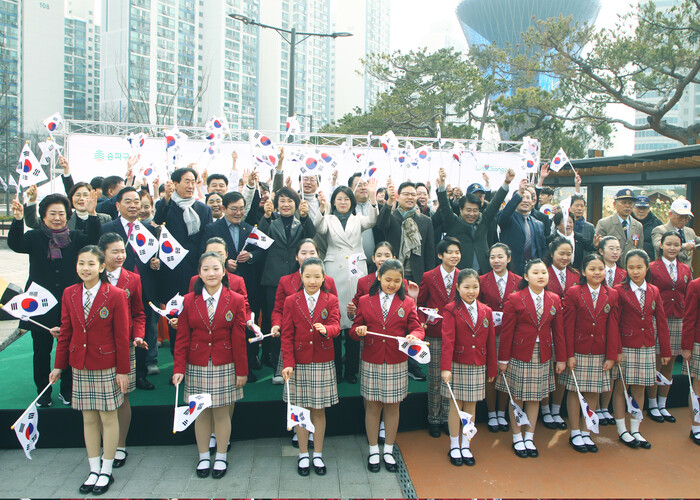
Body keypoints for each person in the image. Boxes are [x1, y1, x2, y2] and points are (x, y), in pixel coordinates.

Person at [49, 245, 130, 495]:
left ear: (102, 267)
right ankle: (93, 469)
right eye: (81, 263)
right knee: (88, 418)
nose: (86, 268)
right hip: (80, 365)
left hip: (107, 365)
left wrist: (123, 371)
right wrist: (58, 365)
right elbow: (66, 331)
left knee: (108, 417)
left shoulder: (115, 294)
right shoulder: (69, 293)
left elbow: (122, 337)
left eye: (91, 264)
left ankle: (106, 470)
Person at [9, 192, 100, 407]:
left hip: (70, 302)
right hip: (39, 304)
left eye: (61, 213)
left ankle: (67, 389)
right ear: (43, 216)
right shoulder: (34, 237)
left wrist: (92, 214)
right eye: (52, 214)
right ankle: (43, 391)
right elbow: (16, 244)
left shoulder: (76, 237)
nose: (57, 218)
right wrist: (18, 219)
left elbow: (94, 240)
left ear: (67, 216)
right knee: (41, 350)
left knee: (69, 348)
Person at [172, 251, 248, 479]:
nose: (211, 273)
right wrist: (178, 368)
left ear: (224, 271)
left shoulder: (235, 299)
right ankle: (204, 456)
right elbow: (182, 337)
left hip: (225, 364)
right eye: (206, 269)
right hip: (197, 364)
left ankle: (221, 456)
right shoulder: (188, 300)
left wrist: (242, 371)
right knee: (201, 413)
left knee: (222, 414)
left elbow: (239, 339)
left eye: (216, 268)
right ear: (199, 273)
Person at [350, 259, 424, 473]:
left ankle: (389, 450)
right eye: (388, 279)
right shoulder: (365, 300)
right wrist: (359, 331)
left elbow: (417, 328)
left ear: (402, 282)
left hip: (396, 361)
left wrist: (414, 336)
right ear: (379, 277)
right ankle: (373, 450)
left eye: (397, 281)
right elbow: (354, 330)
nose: (392, 284)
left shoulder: (407, 303)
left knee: (393, 407)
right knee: (373, 406)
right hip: (372, 360)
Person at [496, 259, 566, 459]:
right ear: (526, 277)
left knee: (535, 397)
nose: (540, 276)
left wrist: (561, 358)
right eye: (535, 273)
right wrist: (503, 360)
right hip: (519, 353)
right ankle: (517, 436)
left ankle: (529, 436)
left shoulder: (554, 299)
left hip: (543, 354)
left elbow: (558, 332)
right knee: (517, 397)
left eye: (543, 272)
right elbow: (507, 332)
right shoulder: (515, 299)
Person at [280, 258, 341, 477]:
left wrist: (326, 330)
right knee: (300, 410)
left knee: (319, 410)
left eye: (317, 276)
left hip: (322, 361)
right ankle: (303, 454)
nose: (312, 281)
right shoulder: (291, 300)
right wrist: (288, 363)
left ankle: (318, 453)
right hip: (299, 362)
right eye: (308, 276)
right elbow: (286, 335)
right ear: (301, 277)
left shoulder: (331, 299)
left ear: (324, 278)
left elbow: (336, 325)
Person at [315, 182, 378, 384]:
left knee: (354, 319)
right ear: (333, 202)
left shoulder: (358, 219)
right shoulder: (328, 218)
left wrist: (372, 197)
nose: (343, 202)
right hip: (334, 269)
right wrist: (321, 208)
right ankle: (336, 371)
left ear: (352, 202)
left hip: (355, 270)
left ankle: (351, 370)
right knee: (334, 319)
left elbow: (372, 220)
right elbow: (319, 227)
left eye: (346, 199)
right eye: (339, 199)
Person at [101, 187, 161, 390]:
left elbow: (153, 257)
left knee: (141, 330)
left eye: (137, 201)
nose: (134, 205)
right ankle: (113, 372)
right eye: (128, 201)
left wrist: (155, 264)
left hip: (144, 286)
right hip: (114, 287)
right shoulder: (107, 228)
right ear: (118, 205)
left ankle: (140, 374)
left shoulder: (149, 229)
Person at [376, 180, 435, 382]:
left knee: (413, 321)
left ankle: (413, 364)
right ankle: (395, 358)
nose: (410, 197)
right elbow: (380, 225)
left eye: (413, 194)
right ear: (398, 196)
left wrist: (427, 277)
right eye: (406, 194)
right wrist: (388, 203)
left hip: (416, 278)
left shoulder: (425, 221)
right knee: (394, 319)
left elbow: (429, 251)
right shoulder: (391, 217)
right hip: (394, 278)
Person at [560, 254, 620, 453]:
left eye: (600, 269)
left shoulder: (612, 294)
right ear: (583, 272)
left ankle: (587, 430)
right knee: (575, 391)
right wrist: (569, 354)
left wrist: (611, 355)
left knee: (593, 392)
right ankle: (575, 431)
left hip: (599, 351)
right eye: (592, 269)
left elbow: (613, 326)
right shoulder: (574, 292)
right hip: (578, 350)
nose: (597, 272)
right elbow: (568, 326)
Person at [98, 233, 147, 468]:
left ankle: (120, 445)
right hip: (98, 345)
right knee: (101, 398)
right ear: (102, 254)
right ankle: (104, 444)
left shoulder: (133, 279)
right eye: (114, 252)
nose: (120, 256)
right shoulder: (93, 277)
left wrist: (138, 334)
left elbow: (139, 313)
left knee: (122, 395)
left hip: (125, 344)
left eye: (123, 251)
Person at [612, 249, 670, 449]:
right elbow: (614, 323)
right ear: (625, 269)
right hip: (625, 346)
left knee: (640, 388)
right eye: (631, 267)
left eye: (639, 267)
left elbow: (661, 320)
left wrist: (666, 350)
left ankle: (636, 428)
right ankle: (622, 429)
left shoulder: (654, 290)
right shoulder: (619, 290)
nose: (635, 271)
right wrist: (616, 350)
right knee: (621, 388)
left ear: (647, 267)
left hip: (647, 346)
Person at [201, 191, 264, 369]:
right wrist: (223, 262)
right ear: (224, 208)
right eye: (234, 209)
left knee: (248, 320)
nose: (238, 213)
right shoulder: (212, 229)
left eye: (241, 209)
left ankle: (251, 357)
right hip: (221, 284)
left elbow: (262, 251)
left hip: (248, 282)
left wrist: (251, 255)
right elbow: (203, 253)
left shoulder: (250, 229)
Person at [441, 269, 497, 466]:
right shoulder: (451, 309)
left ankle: (466, 444)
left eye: (475, 287)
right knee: (456, 407)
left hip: (477, 364)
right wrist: (446, 367)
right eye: (466, 287)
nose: (471, 291)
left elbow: (491, 341)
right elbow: (448, 340)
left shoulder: (486, 310)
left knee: (471, 407)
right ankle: (454, 445)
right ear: (458, 287)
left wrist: (492, 368)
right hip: (457, 363)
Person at [258, 187, 315, 379]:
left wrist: (305, 218)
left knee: (297, 320)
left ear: (296, 204)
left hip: (296, 277)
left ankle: (296, 361)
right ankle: (274, 361)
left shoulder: (300, 221)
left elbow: (311, 236)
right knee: (274, 320)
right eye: (282, 200)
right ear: (276, 204)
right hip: (273, 278)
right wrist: (265, 218)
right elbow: (260, 240)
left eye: (290, 201)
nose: (286, 204)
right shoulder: (270, 221)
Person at [154, 167, 213, 353]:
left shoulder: (203, 209)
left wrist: (202, 265)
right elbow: (158, 221)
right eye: (186, 181)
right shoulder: (167, 206)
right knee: (175, 315)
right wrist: (166, 198)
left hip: (196, 269)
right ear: (175, 184)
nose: (190, 185)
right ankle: (177, 355)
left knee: (197, 312)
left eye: (193, 182)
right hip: (172, 269)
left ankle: (196, 353)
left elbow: (207, 237)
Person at [417, 237, 462, 438]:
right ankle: (433, 419)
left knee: (451, 379)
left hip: (457, 335)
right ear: (440, 255)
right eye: (450, 252)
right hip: (435, 335)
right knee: (435, 379)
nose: (454, 256)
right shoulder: (429, 276)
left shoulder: (463, 276)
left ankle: (446, 418)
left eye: (457, 252)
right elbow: (420, 304)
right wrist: (422, 323)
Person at [647, 231, 691, 423]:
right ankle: (652, 404)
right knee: (656, 361)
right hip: (657, 318)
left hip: (677, 318)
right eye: (669, 244)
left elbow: (686, 293)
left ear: (681, 247)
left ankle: (663, 404)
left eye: (676, 245)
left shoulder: (685, 269)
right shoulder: (651, 267)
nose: (672, 248)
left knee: (670, 361)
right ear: (661, 245)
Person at [436, 167, 515, 272]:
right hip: (461, 272)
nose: (472, 214)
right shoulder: (453, 222)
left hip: (484, 271)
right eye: (468, 210)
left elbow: (495, 203)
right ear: (461, 209)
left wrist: (506, 182)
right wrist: (442, 183)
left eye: (475, 210)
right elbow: (444, 206)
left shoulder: (483, 220)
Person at [479, 243, 521, 433]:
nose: (496, 261)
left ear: (509, 259)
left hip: (511, 335)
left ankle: (502, 412)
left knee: (507, 374)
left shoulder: (519, 281)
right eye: (492, 257)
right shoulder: (482, 280)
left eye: (500, 257)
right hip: (489, 334)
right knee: (491, 374)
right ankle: (491, 413)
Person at [540, 237, 580, 429]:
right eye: (561, 254)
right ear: (552, 254)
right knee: (548, 370)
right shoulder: (543, 272)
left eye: (568, 254)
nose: (565, 258)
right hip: (548, 327)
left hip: (569, 329)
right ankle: (545, 409)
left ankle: (556, 409)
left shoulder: (576, 274)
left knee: (562, 369)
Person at [497, 179, 548, 275]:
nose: (525, 200)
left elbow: (542, 248)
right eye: (522, 197)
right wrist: (519, 193)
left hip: (534, 270)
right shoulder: (509, 219)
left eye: (528, 198)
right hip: (513, 269)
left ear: (533, 202)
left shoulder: (538, 224)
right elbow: (504, 215)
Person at [24, 181, 111, 230]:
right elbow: (33, 223)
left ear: (93, 197)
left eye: (85, 195)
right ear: (71, 198)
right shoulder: (63, 218)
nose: (81, 198)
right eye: (77, 195)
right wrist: (32, 201)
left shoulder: (105, 219)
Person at [595, 189, 644, 263]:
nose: (627, 206)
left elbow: (639, 249)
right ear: (615, 204)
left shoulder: (638, 226)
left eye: (630, 203)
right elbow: (598, 248)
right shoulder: (604, 223)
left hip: (630, 266)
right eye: (624, 203)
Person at [651, 199, 700, 269]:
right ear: (670, 214)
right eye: (680, 216)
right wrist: (682, 246)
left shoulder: (689, 231)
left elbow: (697, 240)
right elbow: (658, 246)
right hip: (666, 272)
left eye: (687, 217)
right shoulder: (660, 230)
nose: (683, 220)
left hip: (687, 273)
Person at [681, 273, 700, 445]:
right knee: (698, 387)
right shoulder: (695, 285)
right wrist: (687, 346)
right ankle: (696, 427)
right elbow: (689, 317)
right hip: (699, 342)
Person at [570, 194, 596, 262]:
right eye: (577, 205)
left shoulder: (590, 227)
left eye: (582, 206)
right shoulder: (565, 225)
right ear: (570, 207)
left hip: (585, 263)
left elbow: (592, 249)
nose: (579, 208)